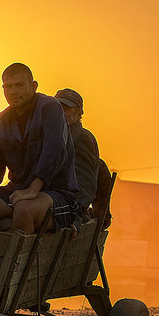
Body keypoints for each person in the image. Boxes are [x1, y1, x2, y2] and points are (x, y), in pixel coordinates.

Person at [0, 63, 77, 234]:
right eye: (9, 86)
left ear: (33, 86)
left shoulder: (49, 108)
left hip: (56, 192)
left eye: (20, 85)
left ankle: (17, 259)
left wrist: (33, 189)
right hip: (17, 190)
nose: (13, 91)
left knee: (24, 210)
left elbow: (55, 151)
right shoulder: (0, 123)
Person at [54, 88, 100, 222]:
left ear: (78, 112)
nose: (61, 113)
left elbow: (85, 184)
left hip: (67, 206)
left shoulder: (81, 138)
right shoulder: (55, 134)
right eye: (58, 108)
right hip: (54, 199)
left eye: (66, 109)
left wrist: (75, 216)